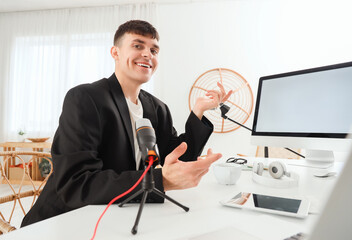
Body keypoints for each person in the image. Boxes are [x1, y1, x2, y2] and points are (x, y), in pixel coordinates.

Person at [21, 20, 231, 227]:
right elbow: (77, 185)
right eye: (138, 46)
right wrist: (161, 181)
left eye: (154, 50)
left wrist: (199, 111)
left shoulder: (157, 108)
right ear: (115, 53)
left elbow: (178, 159)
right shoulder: (85, 98)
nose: (148, 54)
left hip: (115, 218)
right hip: (62, 221)